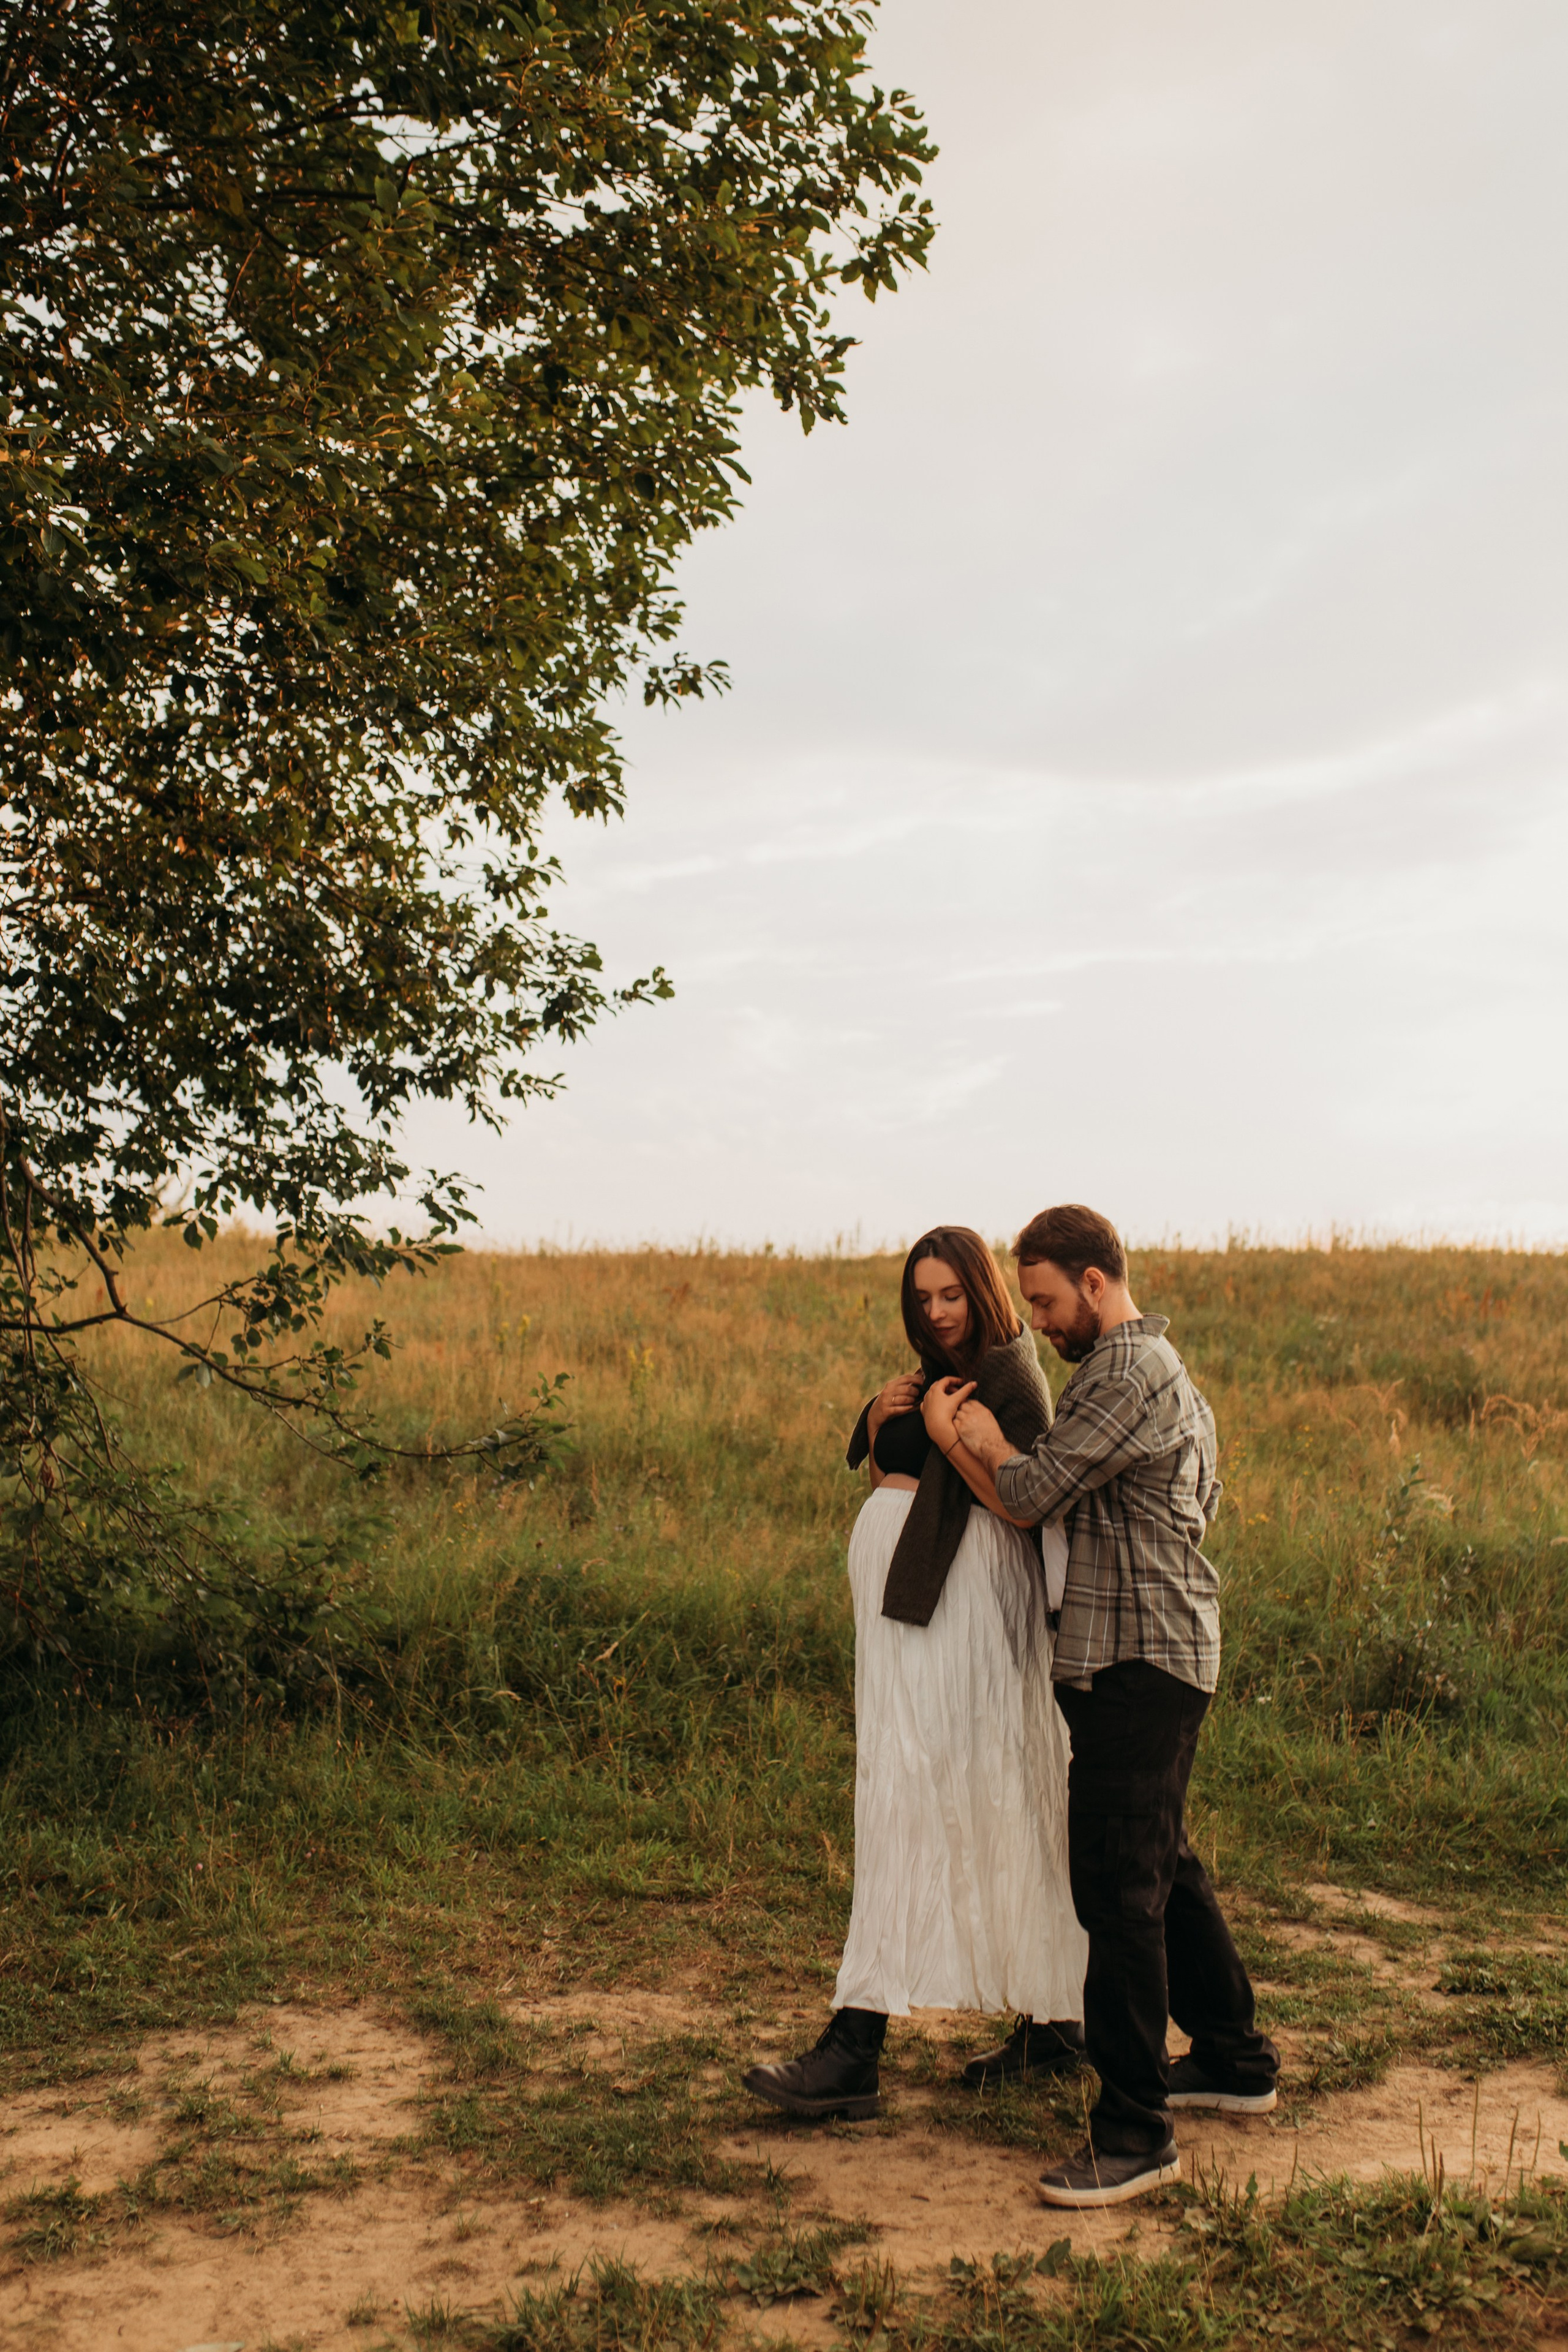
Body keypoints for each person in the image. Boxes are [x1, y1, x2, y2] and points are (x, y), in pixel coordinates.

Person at [939, 1203, 1278, 2211]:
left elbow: (1034, 1490)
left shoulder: (1126, 1374)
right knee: (1163, 1866)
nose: (1038, 1320)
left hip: (1141, 1661)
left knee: (1116, 1892)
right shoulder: (1143, 1375)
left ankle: (1135, 2133)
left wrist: (979, 1435)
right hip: (1142, 1658)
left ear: (1095, 1282)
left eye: (1044, 1299)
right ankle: (1232, 2057)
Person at [742, 1227, 1087, 2120]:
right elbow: (896, 1488)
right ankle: (1056, 2019)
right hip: (918, 1617)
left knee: (940, 1793)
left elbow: (1026, 1504)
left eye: (951, 1295)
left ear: (982, 1289)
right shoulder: (940, 1371)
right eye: (921, 1297)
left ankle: (858, 2045)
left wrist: (942, 1433)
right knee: (933, 1790)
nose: (935, 1312)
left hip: (963, 1612)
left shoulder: (1010, 1375)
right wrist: (878, 1423)